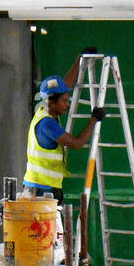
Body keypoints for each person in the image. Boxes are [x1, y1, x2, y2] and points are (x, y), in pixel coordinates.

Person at [23, 60, 106, 201]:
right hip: (41, 192)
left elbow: (64, 86)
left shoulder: (46, 110)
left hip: (41, 187)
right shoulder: (48, 124)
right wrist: (94, 119)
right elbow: (77, 143)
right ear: (51, 102)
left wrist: (80, 61)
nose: (67, 105)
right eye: (64, 101)